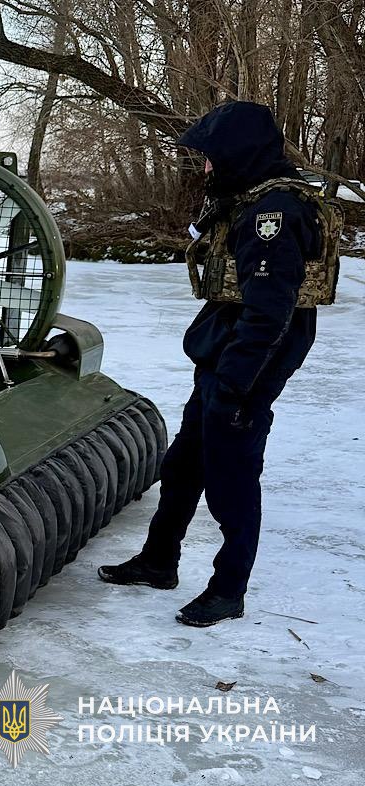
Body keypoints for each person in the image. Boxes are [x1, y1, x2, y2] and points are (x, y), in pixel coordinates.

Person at [98, 101, 335, 627]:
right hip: (224, 359)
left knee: (232, 479)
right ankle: (159, 561)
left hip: (246, 368)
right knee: (183, 467)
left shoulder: (274, 214)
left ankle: (229, 590)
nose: (204, 167)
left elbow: (270, 313)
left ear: (236, 153)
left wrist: (234, 385)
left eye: (209, 157)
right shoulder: (246, 202)